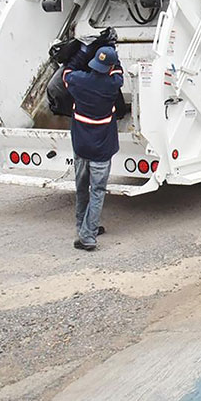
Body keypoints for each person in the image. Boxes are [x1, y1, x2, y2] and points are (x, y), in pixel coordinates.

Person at [63, 46, 124, 251]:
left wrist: (82, 52)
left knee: (81, 189)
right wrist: (114, 54)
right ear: (109, 68)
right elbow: (118, 72)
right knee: (97, 191)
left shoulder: (78, 81)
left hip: (81, 148)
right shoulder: (113, 84)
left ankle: (84, 227)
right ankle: (88, 235)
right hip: (102, 151)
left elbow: (66, 72)